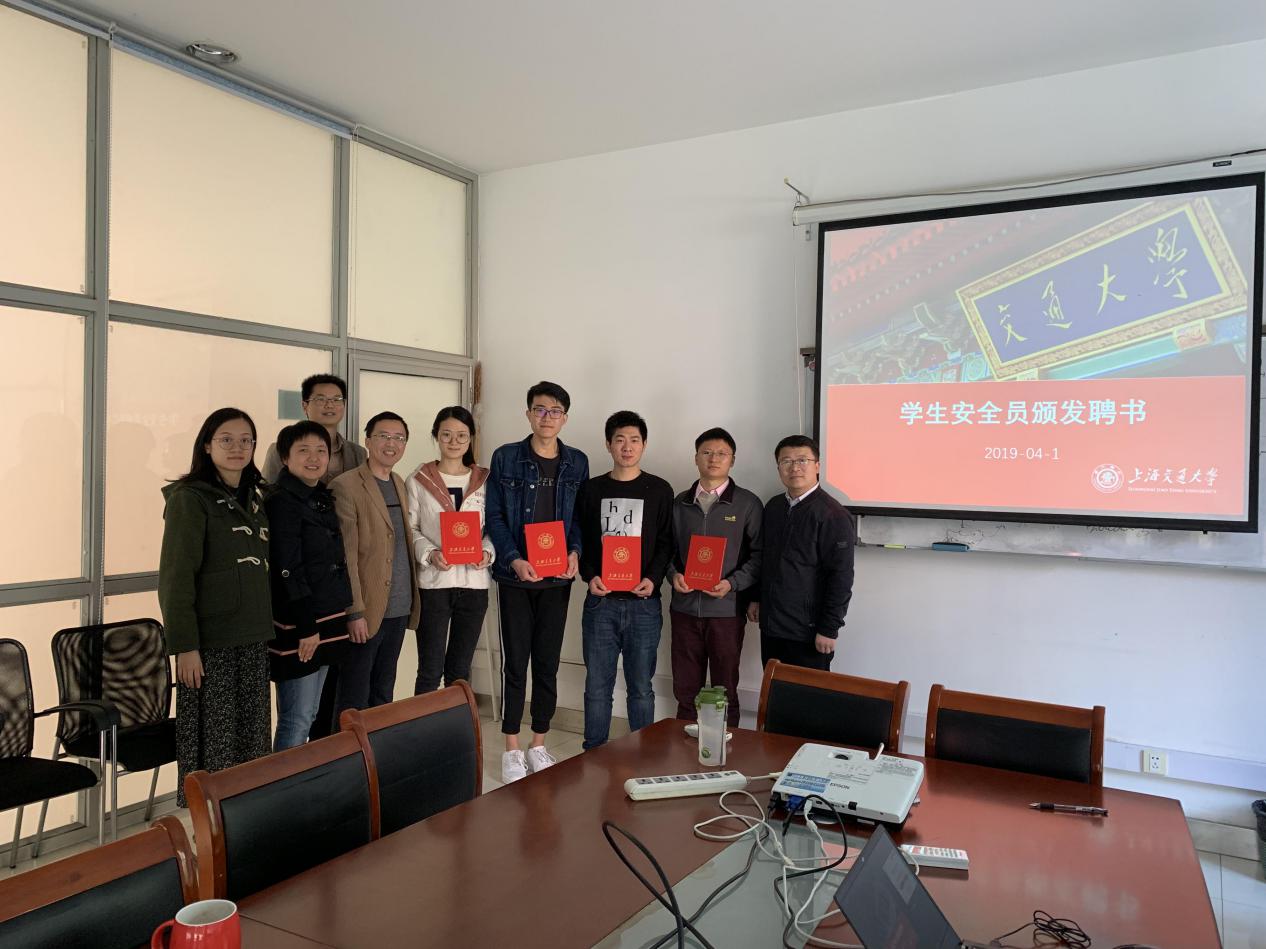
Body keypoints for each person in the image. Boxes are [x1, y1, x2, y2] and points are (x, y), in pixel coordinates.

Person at [158, 408, 272, 805]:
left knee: (252, 740)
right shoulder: (190, 499)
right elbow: (176, 579)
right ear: (207, 445)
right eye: (226, 440)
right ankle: (211, 824)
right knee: (215, 743)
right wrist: (185, 647)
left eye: (246, 441)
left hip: (253, 636)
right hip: (211, 645)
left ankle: (249, 817)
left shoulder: (255, 497)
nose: (237, 448)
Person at [485, 381, 589, 783]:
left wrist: (575, 552)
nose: (547, 417)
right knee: (515, 662)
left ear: (565, 418)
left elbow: (578, 518)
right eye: (540, 409)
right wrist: (514, 558)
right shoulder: (506, 457)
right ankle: (512, 746)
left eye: (555, 411)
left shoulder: (577, 462)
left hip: (556, 581)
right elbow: (495, 516)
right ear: (528, 413)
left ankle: (539, 743)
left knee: (547, 662)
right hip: (515, 578)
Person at [576, 411, 674, 749]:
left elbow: (666, 543)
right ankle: (593, 752)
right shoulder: (591, 489)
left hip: (644, 605)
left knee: (641, 688)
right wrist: (589, 576)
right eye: (619, 440)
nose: (627, 447)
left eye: (634, 440)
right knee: (597, 687)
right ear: (608, 444)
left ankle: (642, 755)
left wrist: (653, 579)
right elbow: (580, 540)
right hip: (600, 603)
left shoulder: (659, 489)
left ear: (644, 445)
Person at [265, 421, 354, 751]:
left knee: (312, 712)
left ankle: (298, 779)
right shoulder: (281, 501)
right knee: (296, 717)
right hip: (302, 623)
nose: (314, 458)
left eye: (321, 450)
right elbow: (287, 568)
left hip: (327, 616)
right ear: (285, 457)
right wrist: (306, 626)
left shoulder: (320, 495)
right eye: (303, 450)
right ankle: (283, 782)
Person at [329, 411, 420, 723]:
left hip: (398, 607)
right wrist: (354, 612)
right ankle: (348, 753)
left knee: (383, 692)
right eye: (383, 436)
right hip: (366, 610)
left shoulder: (399, 482)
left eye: (399, 438)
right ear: (367, 441)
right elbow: (346, 556)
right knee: (353, 697)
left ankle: (376, 751)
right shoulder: (346, 486)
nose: (391, 443)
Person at [668, 427, 762, 727]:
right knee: (685, 690)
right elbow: (666, 551)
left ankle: (728, 747)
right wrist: (673, 575)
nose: (714, 458)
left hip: (726, 612)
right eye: (706, 452)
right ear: (696, 457)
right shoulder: (680, 503)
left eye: (722, 453)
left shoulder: (747, 504)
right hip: (684, 610)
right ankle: (683, 748)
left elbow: (759, 556)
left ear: (732, 460)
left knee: (726, 690)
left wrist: (732, 584)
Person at [406, 406, 494, 694]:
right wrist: (430, 554)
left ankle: (456, 723)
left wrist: (487, 552)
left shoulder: (485, 481)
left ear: (471, 438)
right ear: (436, 436)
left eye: (461, 435)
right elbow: (410, 528)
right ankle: (424, 723)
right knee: (429, 670)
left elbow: (494, 527)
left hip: (474, 585)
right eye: (446, 435)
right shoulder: (419, 479)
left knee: (460, 671)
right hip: (434, 585)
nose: (454, 442)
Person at [748, 435, 855, 671]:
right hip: (772, 625)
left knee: (807, 693)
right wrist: (756, 597)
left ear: (817, 465)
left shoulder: (833, 514)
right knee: (773, 688)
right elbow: (764, 557)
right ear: (778, 468)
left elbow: (841, 576)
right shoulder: (774, 507)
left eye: (802, 460)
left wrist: (829, 628)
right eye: (786, 461)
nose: (794, 467)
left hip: (809, 631)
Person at [261, 374, 367, 485]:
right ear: (305, 406)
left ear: (344, 405)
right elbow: (267, 491)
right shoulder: (279, 449)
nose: (330, 405)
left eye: (337, 399)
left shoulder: (358, 453)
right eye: (321, 399)